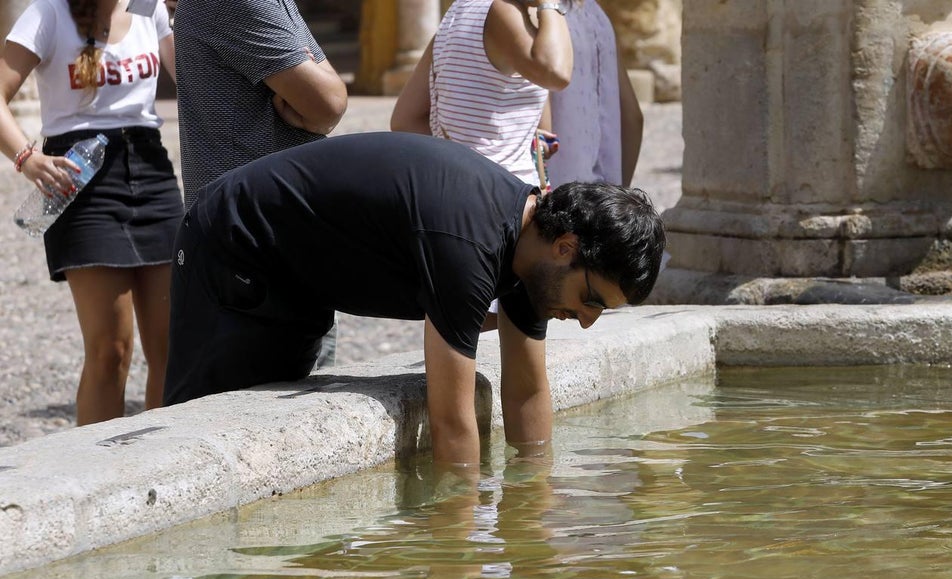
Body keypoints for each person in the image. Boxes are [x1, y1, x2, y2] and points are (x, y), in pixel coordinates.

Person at [163, 132, 665, 467]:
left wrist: (532, 519)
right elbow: (451, 422)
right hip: (232, 246)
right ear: (566, 248)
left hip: (298, 279)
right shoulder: (470, 245)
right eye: (591, 300)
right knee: (197, 433)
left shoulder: (532, 257)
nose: (584, 322)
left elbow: (527, 394)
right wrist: (459, 567)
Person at [0, 0, 183, 425]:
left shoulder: (148, 7)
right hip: (81, 184)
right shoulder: (47, 13)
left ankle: (159, 464)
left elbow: (195, 82)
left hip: (152, 172)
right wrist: (27, 158)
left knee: (175, 347)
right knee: (111, 350)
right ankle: (99, 472)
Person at [172, 0, 347, 366]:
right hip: (256, 237)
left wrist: (313, 90)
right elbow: (329, 102)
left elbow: (328, 96)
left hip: (271, 228)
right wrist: (310, 86)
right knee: (274, 399)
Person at [390, 0, 574, 189]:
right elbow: (556, 72)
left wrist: (459, 159)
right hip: (503, 195)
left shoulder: (459, 12)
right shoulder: (502, 12)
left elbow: (405, 120)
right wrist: (551, 4)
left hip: (457, 188)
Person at [546, 0, 643, 187]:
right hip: (603, 195)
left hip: (559, 189)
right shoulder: (596, 14)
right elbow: (632, 117)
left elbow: (541, 130)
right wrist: (617, 195)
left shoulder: (541, 14)